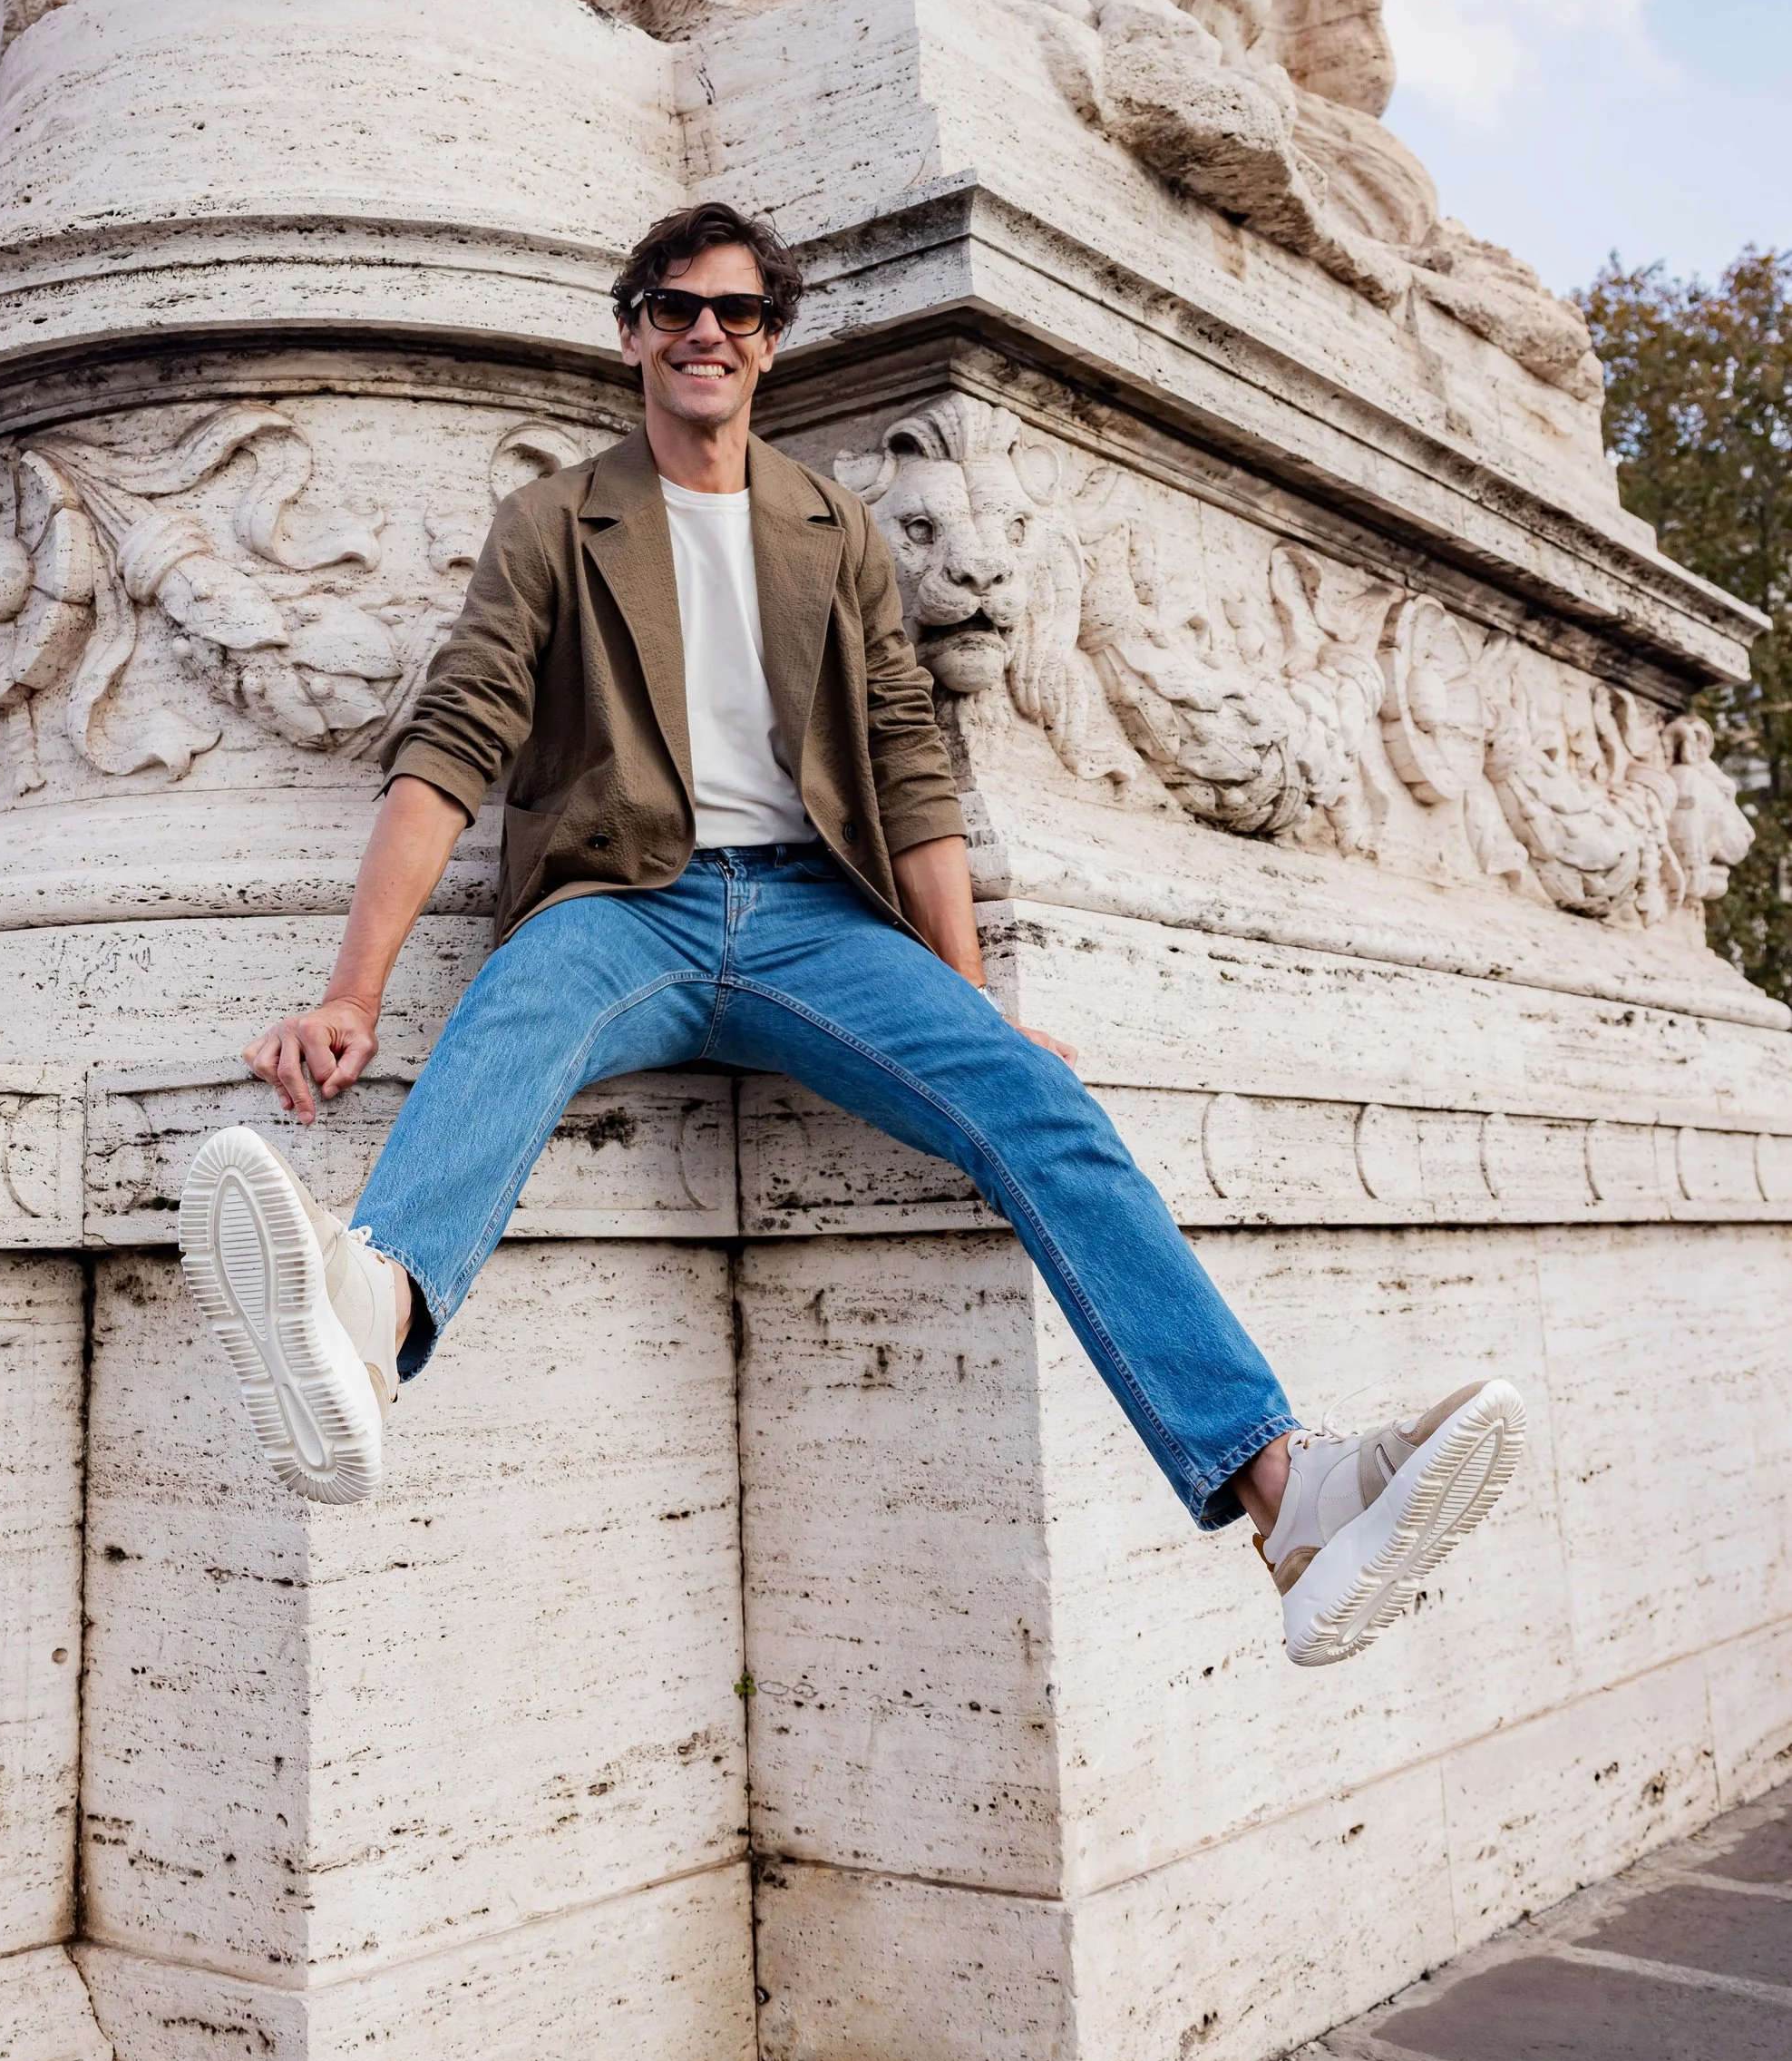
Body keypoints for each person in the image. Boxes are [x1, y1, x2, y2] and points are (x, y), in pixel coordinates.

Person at [181, 202, 1524, 1668]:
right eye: (675, 305)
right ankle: (367, 1316)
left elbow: (906, 759)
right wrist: (350, 991)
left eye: (738, 311)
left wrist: (968, 997)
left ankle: (1291, 1500)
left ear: (771, 344)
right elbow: (455, 740)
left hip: (819, 921)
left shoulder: (836, 531)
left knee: (1042, 1103)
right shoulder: (558, 522)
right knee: (519, 1005)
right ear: (632, 331)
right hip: (624, 901)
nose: (706, 329)